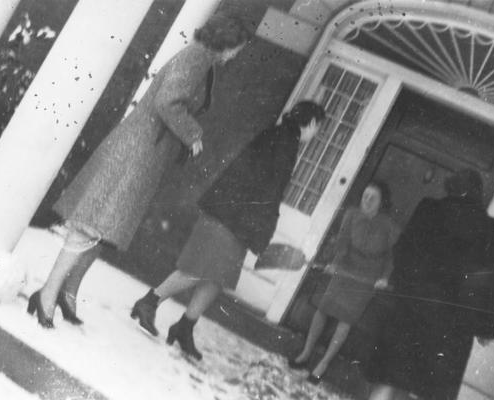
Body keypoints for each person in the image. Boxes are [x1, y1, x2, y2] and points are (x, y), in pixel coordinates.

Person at [26, 14, 251, 328]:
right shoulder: (197, 58)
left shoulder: (202, 60)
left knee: (104, 227)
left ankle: (68, 290)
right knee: (93, 223)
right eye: (237, 48)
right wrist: (193, 134)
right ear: (227, 41)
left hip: (145, 154)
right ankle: (48, 292)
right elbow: (168, 101)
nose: (236, 55)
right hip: (135, 153)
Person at [130, 101, 326, 360]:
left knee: (217, 278)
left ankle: (185, 326)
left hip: (237, 220)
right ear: (310, 123)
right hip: (228, 217)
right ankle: (149, 302)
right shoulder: (284, 141)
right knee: (197, 269)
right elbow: (267, 191)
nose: (317, 134)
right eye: (318, 128)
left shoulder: (282, 137)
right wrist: (263, 229)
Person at [365, 169, 494, 400]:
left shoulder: (429, 209)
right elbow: (488, 282)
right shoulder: (492, 230)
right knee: (427, 391)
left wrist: (400, 284)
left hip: (411, 309)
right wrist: (486, 327)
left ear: (451, 188)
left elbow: (402, 250)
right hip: (453, 327)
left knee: (389, 377)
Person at [287, 182, 399, 384]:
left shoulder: (389, 226)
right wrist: (335, 263)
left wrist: (384, 278)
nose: (367, 200)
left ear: (381, 203)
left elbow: (390, 258)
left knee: (345, 320)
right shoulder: (351, 215)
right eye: (365, 196)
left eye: (373, 198)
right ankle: (305, 353)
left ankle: (324, 363)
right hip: (346, 269)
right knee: (323, 309)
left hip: (367, 279)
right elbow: (342, 243)